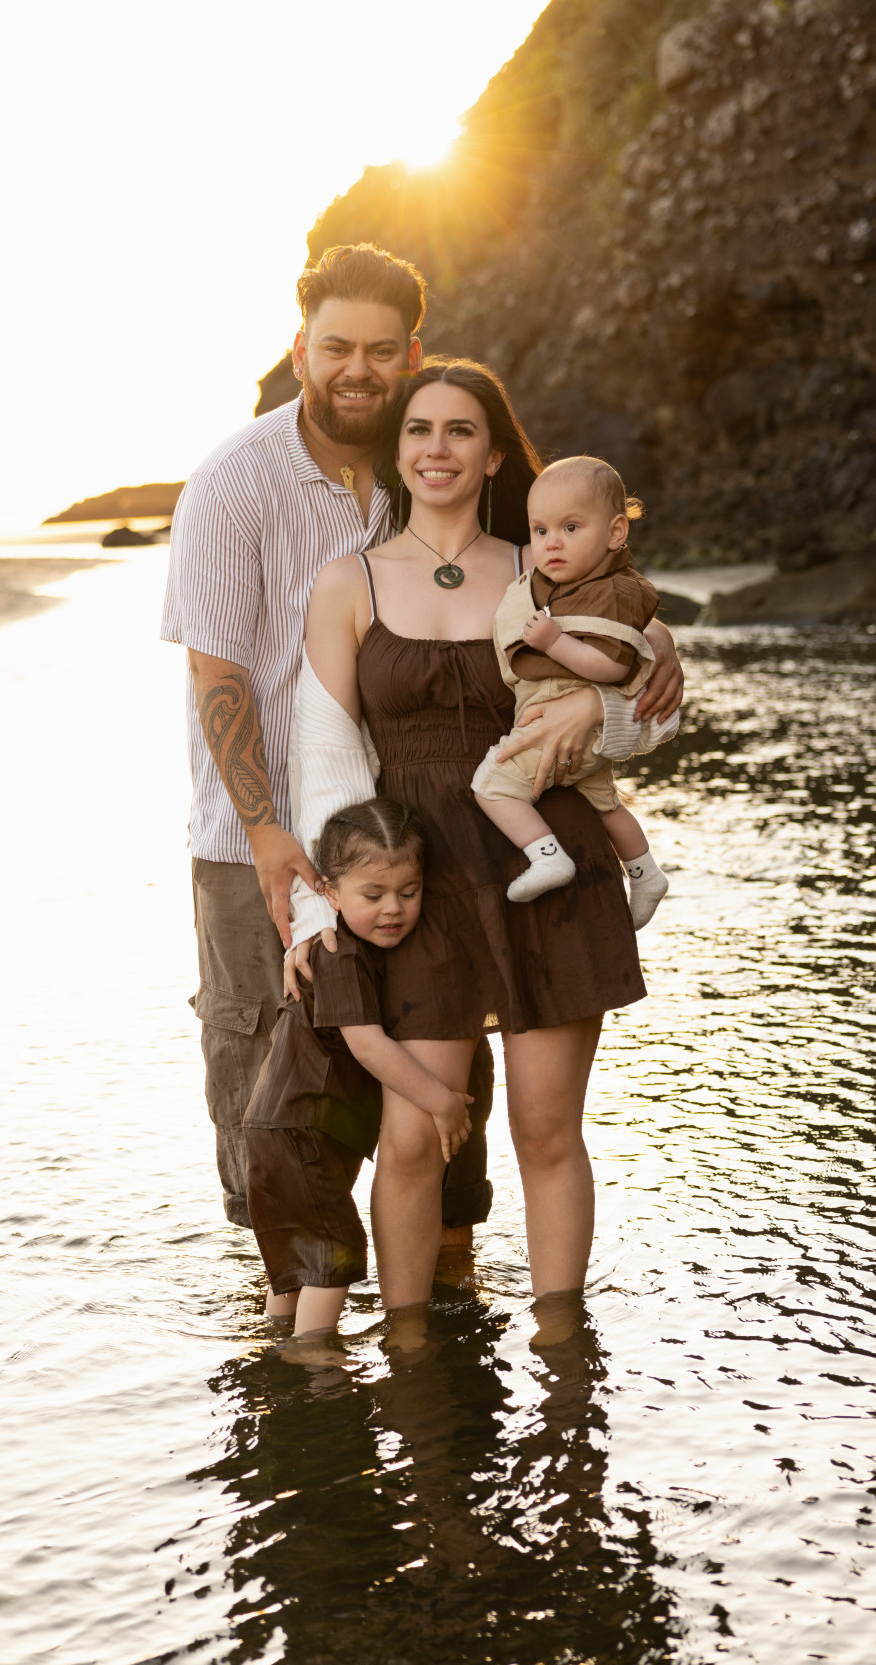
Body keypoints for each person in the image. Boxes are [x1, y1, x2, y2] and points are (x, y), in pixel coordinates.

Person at [161, 243, 684, 1238]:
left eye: (378, 349)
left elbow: (583, 613)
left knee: (442, 1102)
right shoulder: (234, 482)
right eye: (333, 347)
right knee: (276, 1100)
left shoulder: (441, 474)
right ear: (299, 349)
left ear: (410, 353)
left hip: (426, 847)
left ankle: (444, 1330)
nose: (355, 367)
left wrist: (643, 654)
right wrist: (272, 836)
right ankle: (294, 1352)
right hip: (256, 844)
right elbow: (215, 672)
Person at [292, 358, 669, 1326]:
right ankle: (408, 1352)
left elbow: (648, 713)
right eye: (418, 431)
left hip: (545, 862)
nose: (436, 449)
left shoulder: (546, 567)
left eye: (460, 430)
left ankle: (562, 1351)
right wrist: (316, 907)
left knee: (547, 1131)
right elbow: (327, 757)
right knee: (413, 1136)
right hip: (414, 882)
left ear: (493, 450)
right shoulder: (348, 583)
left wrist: (600, 704)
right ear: (397, 452)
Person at [244, 798, 473, 1341]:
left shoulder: (354, 946)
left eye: (408, 893)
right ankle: (316, 1362)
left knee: (298, 1256)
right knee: (332, 1257)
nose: (393, 909)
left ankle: (278, 1344)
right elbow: (368, 1047)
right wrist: (441, 1099)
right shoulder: (339, 954)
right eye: (373, 895)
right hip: (302, 1132)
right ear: (328, 892)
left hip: (284, 1129)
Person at [471, 454, 674, 921]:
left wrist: (554, 640)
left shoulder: (612, 591)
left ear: (616, 532)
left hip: (557, 725)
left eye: (570, 528)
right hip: (585, 745)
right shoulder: (573, 583)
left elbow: (610, 666)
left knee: (492, 786)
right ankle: (645, 872)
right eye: (540, 531)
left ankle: (546, 856)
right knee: (606, 804)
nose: (552, 544)